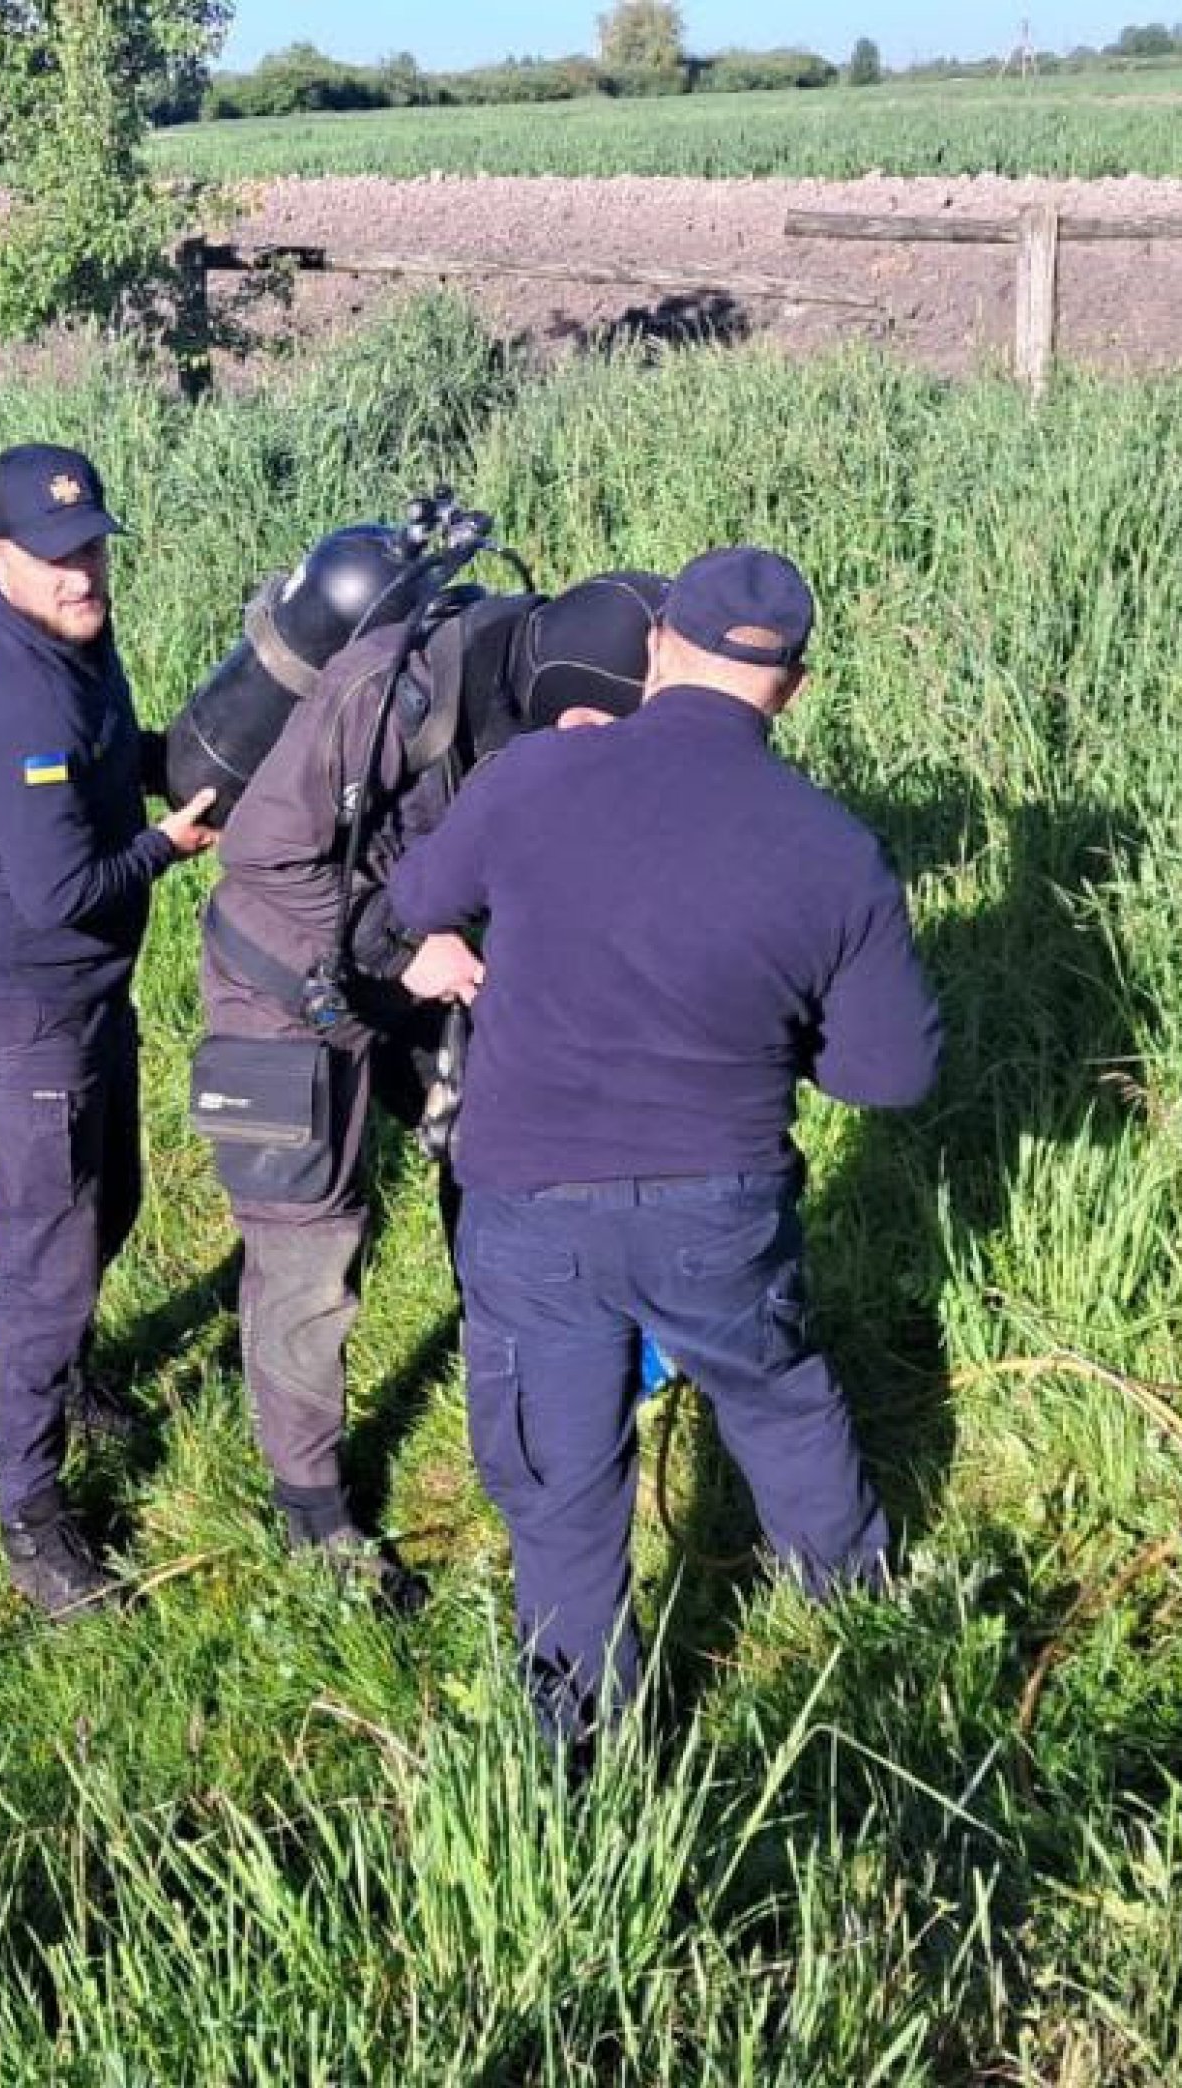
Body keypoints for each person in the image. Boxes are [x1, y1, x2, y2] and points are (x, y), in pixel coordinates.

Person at [386, 545, 941, 1739]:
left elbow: (417, 898)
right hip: (720, 1205)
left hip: (532, 1205)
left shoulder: (538, 776)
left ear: (653, 652)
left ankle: (585, 1750)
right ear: (790, 686)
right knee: (781, 1397)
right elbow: (886, 1074)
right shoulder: (833, 847)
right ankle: (867, 1644)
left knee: (562, 1484)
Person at [193, 571, 668, 1595]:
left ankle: (527, 1398)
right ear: (587, 714)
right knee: (310, 1250)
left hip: (425, 945)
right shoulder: (389, 697)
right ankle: (313, 1509)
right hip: (284, 968)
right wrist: (399, 948)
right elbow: (263, 861)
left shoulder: (548, 699)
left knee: (494, 1156)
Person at [0, 443, 220, 1618]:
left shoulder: (79, 651)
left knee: (115, 1205)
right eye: (52, 556)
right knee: (43, 1270)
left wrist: (194, 771)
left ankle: (72, 1377)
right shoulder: (18, 702)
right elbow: (67, 890)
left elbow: (115, 764)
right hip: (21, 1020)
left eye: (90, 545)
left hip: (84, 1002)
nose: (79, 571)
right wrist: (172, 845)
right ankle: (32, 1515)